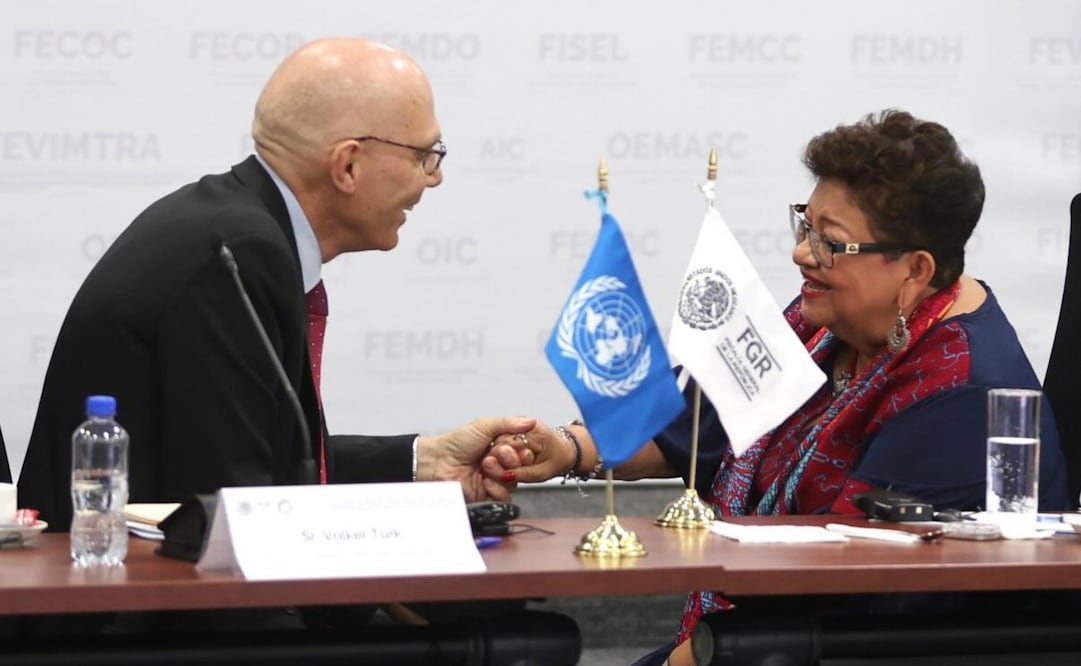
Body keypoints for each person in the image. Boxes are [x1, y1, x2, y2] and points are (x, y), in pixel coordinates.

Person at [484, 109, 1071, 665]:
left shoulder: (959, 392)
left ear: (915, 269)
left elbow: (840, 577)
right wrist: (568, 448)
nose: (800, 253)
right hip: (751, 637)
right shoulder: (826, 320)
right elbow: (692, 425)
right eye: (805, 225)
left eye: (829, 243)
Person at [19, 38, 533, 532]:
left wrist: (426, 461)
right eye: (426, 155)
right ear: (348, 165)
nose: (434, 178)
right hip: (121, 609)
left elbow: (260, 458)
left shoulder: (228, 224)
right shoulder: (237, 255)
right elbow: (240, 510)